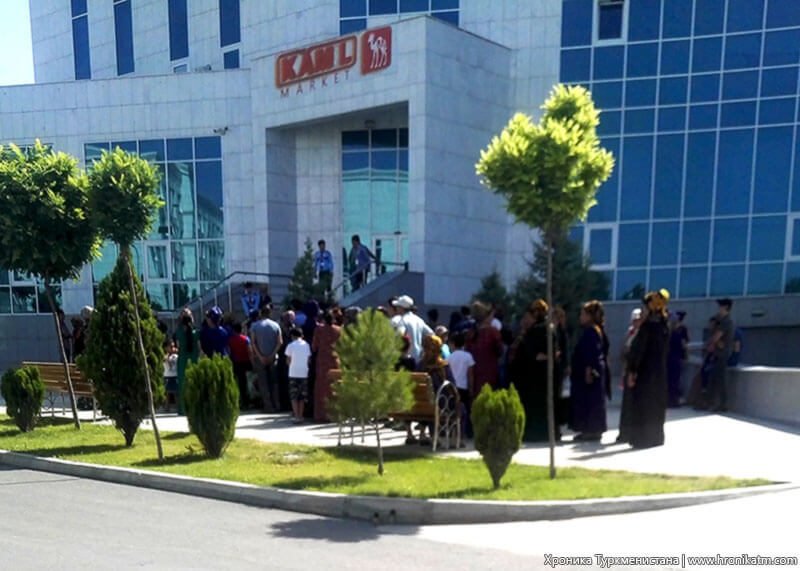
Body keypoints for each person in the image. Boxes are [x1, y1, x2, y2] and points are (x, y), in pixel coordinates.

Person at [626, 290, 670, 449]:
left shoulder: (647, 327)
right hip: (659, 373)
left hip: (645, 373)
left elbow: (638, 351)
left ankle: (642, 438)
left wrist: (632, 370)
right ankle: (655, 437)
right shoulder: (664, 326)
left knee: (644, 405)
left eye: (644, 308)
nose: (642, 311)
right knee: (656, 405)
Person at [510, 299, 553, 442]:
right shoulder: (541, 330)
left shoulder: (538, 331)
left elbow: (533, 353)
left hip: (533, 376)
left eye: (527, 317)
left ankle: (534, 433)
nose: (524, 320)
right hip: (534, 375)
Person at [569, 300, 608, 442]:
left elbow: (591, 352)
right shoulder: (591, 330)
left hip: (590, 372)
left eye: (583, 314)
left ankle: (593, 430)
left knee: (591, 402)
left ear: (590, 316)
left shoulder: (592, 331)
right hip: (587, 371)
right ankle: (587, 429)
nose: (581, 317)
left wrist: (588, 370)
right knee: (587, 400)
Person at [464, 301, 503, 395]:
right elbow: (500, 351)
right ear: (487, 317)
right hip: (490, 373)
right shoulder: (493, 332)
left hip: (474, 374)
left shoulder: (471, 333)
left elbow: (467, 351)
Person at [250, 303, 283, 412]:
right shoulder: (276, 325)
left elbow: (253, 343)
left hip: (260, 358)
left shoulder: (255, 326)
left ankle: (268, 406)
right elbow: (280, 342)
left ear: (260, 313)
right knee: (274, 382)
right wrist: (272, 355)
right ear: (270, 313)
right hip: (273, 357)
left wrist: (260, 356)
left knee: (263, 382)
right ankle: (277, 404)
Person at [616, 307, 643, 444]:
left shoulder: (642, 335)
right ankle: (625, 432)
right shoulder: (630, 333)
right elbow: (623, 352)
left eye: (638, 320)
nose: (636, 323)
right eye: (634, 320)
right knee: (627, 404)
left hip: (636, 372)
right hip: (628, 370)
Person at [311, 309, 341, 422]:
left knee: (321, 387)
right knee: (334, 386)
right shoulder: (338, 330)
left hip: (322, 360)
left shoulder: (319, 330)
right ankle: (335, 413)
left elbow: (314, 346)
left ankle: (321, 414)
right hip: (334, 360)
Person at [707, 298, 735, 412]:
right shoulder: (722, 321)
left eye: (721, 306)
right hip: (718, 353)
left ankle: (722, 404)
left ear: (726, 307)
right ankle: (713, 403)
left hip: (722, 354)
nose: (719, 309)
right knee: (713, 378)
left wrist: (714, 340)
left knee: (719, 379)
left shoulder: (726, 321)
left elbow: (716, 337)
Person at [447, 331, 475, 438]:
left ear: (453, 344)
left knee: (452, 411)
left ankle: (453, 432)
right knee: (464, 412)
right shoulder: (468, 356)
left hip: (452, 388)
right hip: (464, 388)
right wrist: (471, 389)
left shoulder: (449, 357)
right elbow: (470, 374)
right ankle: (463, 433)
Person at [392, 295, 433, 363]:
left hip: (406, 359)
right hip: (418, 358)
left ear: (402, 308)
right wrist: (424, 350)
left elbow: (399, 337)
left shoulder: (403, 321)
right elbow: (431, 334)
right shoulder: (419, 320)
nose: (396, 308)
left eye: (398, 306)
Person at [285, 327, 312, 424]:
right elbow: (309, 360)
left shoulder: (290, 345)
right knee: (302, 396)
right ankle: (301, 415)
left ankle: (296, 416)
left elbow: (288, 360)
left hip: (293, 372)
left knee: (294, 396)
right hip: (304, 373)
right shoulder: (307, 345)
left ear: (292, 336)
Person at [176, 308, 200, 415]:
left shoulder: (179, 334)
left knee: (183, 385)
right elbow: (199, 348)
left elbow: (178, 347)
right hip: (194, 360)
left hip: (182, 361)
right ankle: (195, 407)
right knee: (194, 384)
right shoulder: (196, 333)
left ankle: (183, 409)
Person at [228, 322, 253, 410]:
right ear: (241, 330)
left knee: (240, 383)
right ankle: (249, 401)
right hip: (246, 363)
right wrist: (252, 363)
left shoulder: (230, 340)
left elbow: (229, 352)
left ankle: (242, 401)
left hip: (237, 363)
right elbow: (250, 352)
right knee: (248, 383)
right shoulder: (246, 339)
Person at [667, 310, 689, 408]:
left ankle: (670, 400)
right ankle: (673, 401)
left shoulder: (670, 333)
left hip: (670, 358)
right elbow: (683, 345)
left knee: (671, 380)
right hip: (675, 359)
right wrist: (685, 356)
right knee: (674, 380)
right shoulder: (676, 334)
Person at [163, 339, 179, 412]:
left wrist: (176, 351)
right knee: (167, 393)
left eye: (173, 346)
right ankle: (167, 407)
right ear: (166, 348)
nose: (172, 348)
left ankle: (178, 407)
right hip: (167, 376)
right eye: (171, 347)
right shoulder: (165, 356)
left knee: (175, 393)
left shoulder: (175, 356)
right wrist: (167, 353)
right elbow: (164, 359)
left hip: (174, 376)